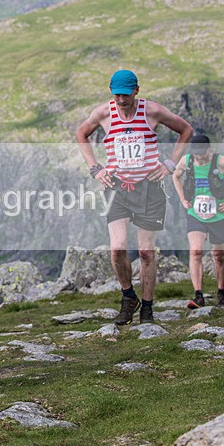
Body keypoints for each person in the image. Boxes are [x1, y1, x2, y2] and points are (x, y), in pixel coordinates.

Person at [76, 70, 193, 325]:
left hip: (149, 189)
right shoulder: (103, 113)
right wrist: (95, 168)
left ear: (136, 91)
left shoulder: (152, 111)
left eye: (125, 94)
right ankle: (129, 297)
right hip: (116, 187)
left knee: (146, 252)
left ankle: (147, 308)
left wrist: (170, 164)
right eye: (116, 94)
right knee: (117, 248)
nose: (121, 100)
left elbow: (185, 130)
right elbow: (81, 134)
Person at [171, 134, 224, 309]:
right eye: (196, 154)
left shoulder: (221, 162)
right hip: (195, 214)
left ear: (209, 149)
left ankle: (221, 295)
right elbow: (175, 176)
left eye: (201, 153)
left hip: (219, 216)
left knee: (219, 256)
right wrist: (183, 200)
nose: (198, 157)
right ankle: (198, 296)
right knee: (196, 252)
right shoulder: (187, 161)